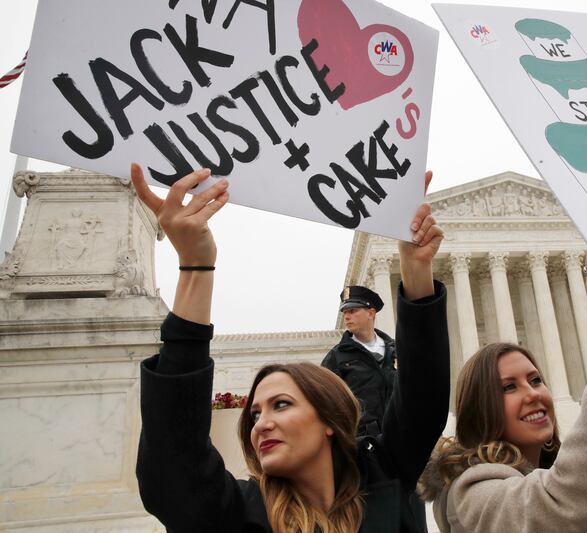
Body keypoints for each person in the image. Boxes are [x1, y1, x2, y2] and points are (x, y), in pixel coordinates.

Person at [132, 165, 450, 532]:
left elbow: (422, 397)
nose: (261, 424)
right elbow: (172, 471)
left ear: (330, 420)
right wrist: (195, 265)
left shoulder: (383, 477)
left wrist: (415, 269)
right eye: (254, 415)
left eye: (280, 404)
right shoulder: (245, 512)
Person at [418, 249, 587, 533]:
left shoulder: (540, 471)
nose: (532, 394)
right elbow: (563, 502)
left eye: (536, 380)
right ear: (480, 408)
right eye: (509, 387)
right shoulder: (472, 493)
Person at [322, 285, 397, 436]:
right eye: (345, 312)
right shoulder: (335, 358)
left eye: (352, 311)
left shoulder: (397, 350)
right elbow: (326, 405)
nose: (347, 317)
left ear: (371, 313)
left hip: (402, 437)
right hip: (362, 444)